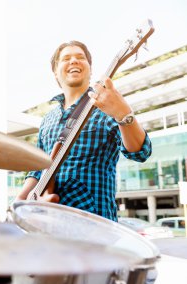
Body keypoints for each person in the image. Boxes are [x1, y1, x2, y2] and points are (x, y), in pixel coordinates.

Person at [16, 40, 152, 221]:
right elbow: (38, 168)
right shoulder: (48, 119)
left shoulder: (105, 106)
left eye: (80, 57)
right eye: (66, 58)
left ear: (90, 69)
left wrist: (124, 115)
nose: (74, 61)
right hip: (49, 222)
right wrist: (22, 198)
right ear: (56, 72)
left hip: (94, 223)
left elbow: (141, 152)